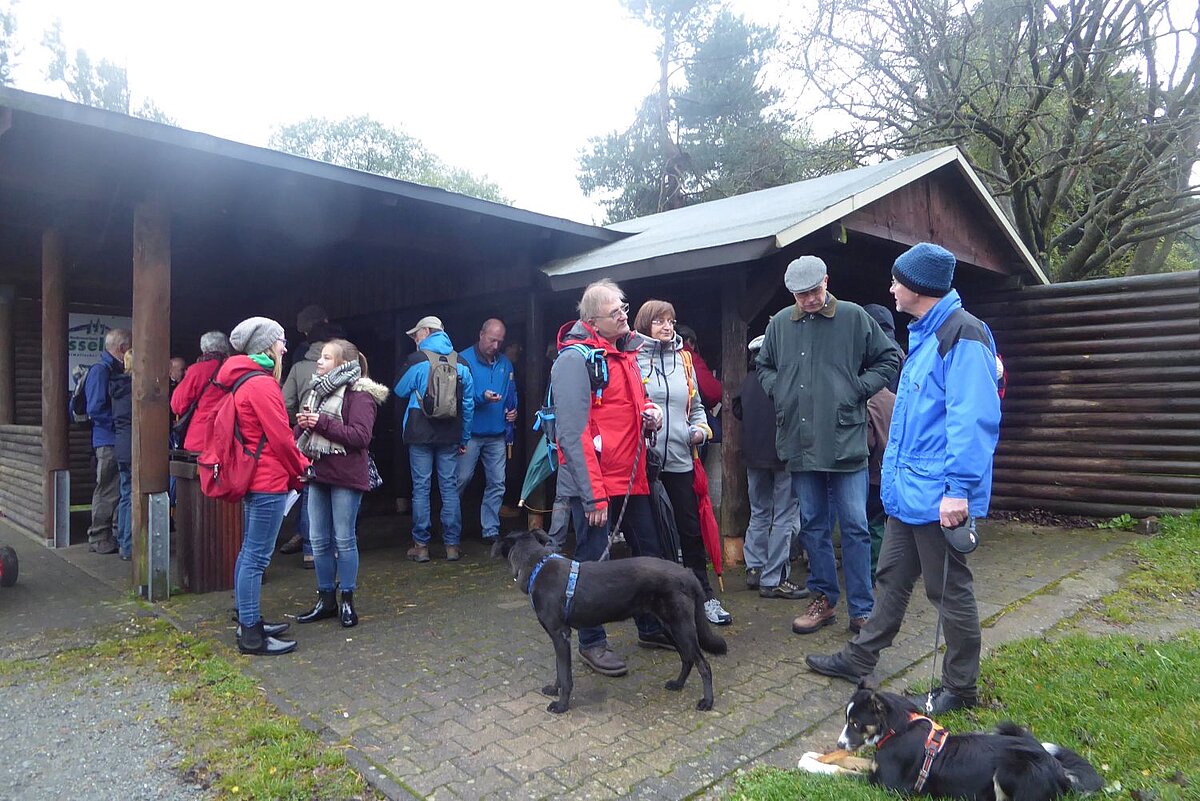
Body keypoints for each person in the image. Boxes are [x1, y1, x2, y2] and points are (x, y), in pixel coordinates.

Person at [804, 242, 1002, 715]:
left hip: (939, 497)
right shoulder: (925, 335)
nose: (891, 287)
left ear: (919, 286)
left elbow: (972, 420)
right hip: (909, 493)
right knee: (891, 576)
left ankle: (960, 688)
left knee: (948, 589)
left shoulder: (962, 334)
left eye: (897, 280)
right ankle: (859, 658)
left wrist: (958, 491)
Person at [756, 256, 901, 637]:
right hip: (800, 440)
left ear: (826, 281)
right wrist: (779, 390)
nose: (809, 300)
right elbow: (764, 365)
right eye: (800, 295)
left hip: (844, 440)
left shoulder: (853, 317)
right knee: (813, 525)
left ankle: (863, 609)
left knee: (855, 525)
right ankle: (824, 599)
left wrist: (858, 389)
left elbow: (889, 358)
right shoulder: (780, 324)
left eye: (814, 291)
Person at [551, 279, 668, 678]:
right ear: (592, 321)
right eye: (614, 311)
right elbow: (572, 433)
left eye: (623, 307)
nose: (623, 315)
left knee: (646, 555)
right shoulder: (574, 361)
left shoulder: (625, 353)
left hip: (632, 477)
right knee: (592, 567)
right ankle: (591, 642)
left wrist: (651, 413)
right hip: (596, 484)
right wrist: (593, 496)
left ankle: (650, 626)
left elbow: (631, 404)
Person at [633, 300, 732, 625]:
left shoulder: (684, 360)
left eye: (671, 321)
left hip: (680, 459)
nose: (667, 327)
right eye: (660, 321)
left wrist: (701, 431)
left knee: (690, 532)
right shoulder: (631, 360)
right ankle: (660, 604)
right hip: (644, 464)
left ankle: (703, 597)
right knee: (652, 537)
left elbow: (698, 406)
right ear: (645, 324)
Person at [219, 317, 311, 656]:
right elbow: (282, 438)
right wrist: (303, 467)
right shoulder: (262, 384)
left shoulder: (244, 380)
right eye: (280, 341)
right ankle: (251, 636)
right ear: (267, 346)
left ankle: (250, 621)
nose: (285, 347)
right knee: (256, 558)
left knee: (249, 553)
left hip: (254, 477)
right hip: (267, 480)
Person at [294, 339, 388, 629]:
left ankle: (347, 600)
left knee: (344, 539)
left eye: (326, 357)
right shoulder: (317, 391)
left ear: (343, 364)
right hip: (318, 472)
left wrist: (319, 422)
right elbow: (306, 433)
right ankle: (326, 600)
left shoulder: (361, 395)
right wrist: (302, 424)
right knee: (318, 540)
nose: (319, 362)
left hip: (346, 476)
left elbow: (360, 437)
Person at [393, 315, 475, 562]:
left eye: (416, 334)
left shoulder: (417, 360)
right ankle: (452, 545)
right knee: (449, 488)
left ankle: (421, 546)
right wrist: (464, 438)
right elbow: (468, 404)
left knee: (421, 487)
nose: (415, 340)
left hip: (420, 432)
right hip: (450, 434)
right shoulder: (461, 363)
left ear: (427, 332)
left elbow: (399, 389)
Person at [733, 334, 808, 600]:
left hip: (753, 457)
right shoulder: (787, 380)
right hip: (784, 457)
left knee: (759, 512)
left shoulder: (747, 382)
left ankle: (755, 568)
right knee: (784, 516)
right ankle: (774, 577)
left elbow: (737, 411)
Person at [280, 307, 345, 564]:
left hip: (307, 434)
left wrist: (299, 421)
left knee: (311, 489)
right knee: (339, 488)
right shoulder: (347, 366)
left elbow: (286, 403)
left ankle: (310, 549)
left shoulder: (299, 366)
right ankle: (338, 545)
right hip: (339, 435)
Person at [457, 318, 518, 543]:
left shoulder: (505, 363)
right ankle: (450, 528)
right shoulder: (463, 360)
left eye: (500, 341)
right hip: (469, 433)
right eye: (492, 340)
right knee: (461, 479)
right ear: (481, 334)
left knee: (497, 482)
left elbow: (512, 392)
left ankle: (490, 530)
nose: (496, 345)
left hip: (497, 434)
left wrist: (513, 411)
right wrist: (481, 398)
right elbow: (456, 397)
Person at [83, 327, 131, 555]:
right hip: (108, 440)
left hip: (114, 439)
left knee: (118, 490)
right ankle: (99, 536)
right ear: (122, 348)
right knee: (107, 490)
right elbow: (95, 409)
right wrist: (120, 425)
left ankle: (112, 534)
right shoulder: (101, 371)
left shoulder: (111, 369)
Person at [170, 331, 231, 452]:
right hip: (230, 436)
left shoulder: (197, 370)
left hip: (202, 437)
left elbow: (177, 406)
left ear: (204, 349)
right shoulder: (233, 368)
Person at [110, 350, 134, 562]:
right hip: (133, 446)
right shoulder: (134, 389)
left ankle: (123, 542)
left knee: (126, 494)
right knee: (133, 496)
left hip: (121, 445)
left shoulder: (117, 387)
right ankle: (128, 545)